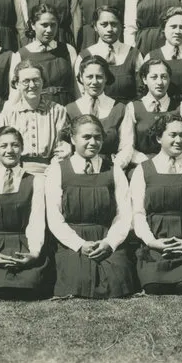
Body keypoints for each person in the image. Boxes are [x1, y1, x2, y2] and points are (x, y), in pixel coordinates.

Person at [45, 114, 138, 299]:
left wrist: (109, 243)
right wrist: (79, 245)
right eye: (86, 137)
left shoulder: (114, 169)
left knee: (118, 280)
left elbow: (124, 214)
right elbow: (55, 218)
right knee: (77, 281)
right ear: (73, 139)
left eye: (97, 137)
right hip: (72, 241)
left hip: (106, 238)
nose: (93, 142)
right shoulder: (58, 170)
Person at [130, 114, 182, 294]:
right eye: (173, 135)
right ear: (159, 137)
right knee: (153, 286)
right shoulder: (143, 169)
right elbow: (137, 212)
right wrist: (152, 242)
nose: (179, 140)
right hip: (156, 238)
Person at [0, 126, 51, 300]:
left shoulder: (36, 181)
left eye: (15, 145)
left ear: (22, 149)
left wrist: (34, 253)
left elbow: (36, 220)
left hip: (25, 245)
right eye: (3, 146)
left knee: (32, 283)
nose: (9, 150)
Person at [116, 58, 182, 174]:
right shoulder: (133, 108)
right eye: (154, 77)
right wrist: (150, 162)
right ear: (144, 79)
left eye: (164, 77)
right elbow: (127, 146)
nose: (160, 82)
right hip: (142, 166)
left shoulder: (181, 108)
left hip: (175, 166)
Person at [1, 60, 70, 175]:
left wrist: (52, 172)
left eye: (36, 80)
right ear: (17, 84)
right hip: (16, 171)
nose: (32, 85)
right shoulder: (9, 113)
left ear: (42, 82)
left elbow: (62, 149)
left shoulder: (58, 111)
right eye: (26, 81)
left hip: (49, 171)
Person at [10, 3, 80, 107]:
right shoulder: (21, 55)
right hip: (36, 110)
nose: (49, 30)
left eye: (53, 25)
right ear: (33, 25)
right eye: (44, 25)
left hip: (67, 107)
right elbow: (15, 93)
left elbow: (78, 88)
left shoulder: (69, 50)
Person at [66, 55, 126, 159]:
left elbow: (126, 146)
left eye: (99, 77)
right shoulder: (69, 110)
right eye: (89, 77)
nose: (94, 82)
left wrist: (116, 168)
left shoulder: (120, 108)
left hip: (110, 167)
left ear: (106, 78)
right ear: (81, 77)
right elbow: (66, 147)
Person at [146, 7, 182, 108]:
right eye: (173, 27)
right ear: (163, 29)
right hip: (165, 109)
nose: (177, 31)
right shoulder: (151, 56)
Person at [79, 5, 140, 103]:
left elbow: (141, 89)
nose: (110, 29)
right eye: (104, 24)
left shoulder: (133, 54)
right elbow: (80, 92)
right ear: (95, 26)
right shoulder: (85, 55)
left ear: (121, 26)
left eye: (114, 24)